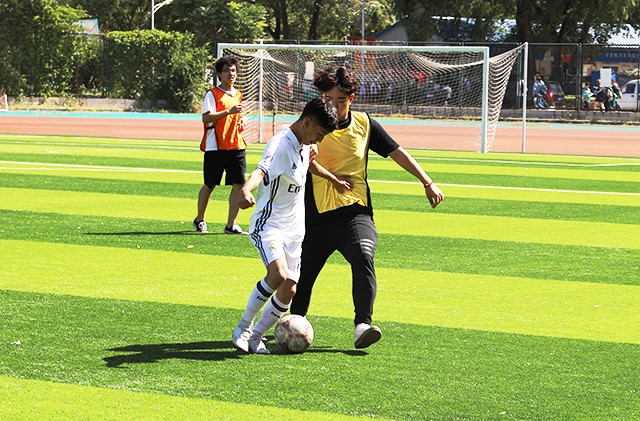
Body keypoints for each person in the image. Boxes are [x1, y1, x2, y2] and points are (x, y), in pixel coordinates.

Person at [290, 65, 445, 349]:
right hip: (314, 216)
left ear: (351, 98)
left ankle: (362, 324)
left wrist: (427, 182)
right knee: (302, 275)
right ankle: (293, 323)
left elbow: (396, 151)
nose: (334, 106)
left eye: (340, 100)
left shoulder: (364, 124)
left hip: (355, 212)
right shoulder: (310, 124)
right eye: (328, 99)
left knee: (363, 255)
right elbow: (293, 158)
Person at [231, 97, 348, 354]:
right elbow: (261, 170)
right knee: (278, 275)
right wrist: (246, 190)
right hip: (269, 224)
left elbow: (307, 165)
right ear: (307, 123)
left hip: (295, 229)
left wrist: (333, 179)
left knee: (289, 289)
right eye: (319, 134)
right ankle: (243, 328)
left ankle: (256, 337)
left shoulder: (304, 144)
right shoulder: (279, 144)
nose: (318, 141)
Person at [194, 56, 247, 234]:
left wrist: (243, 120)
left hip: (236, 145)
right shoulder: (212, 94)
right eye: (226, 70)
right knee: (210, 184)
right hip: (215, 146)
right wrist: (228, 111)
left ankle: (231, 225)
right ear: (219, 74)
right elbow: (206, 117)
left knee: (239, 184)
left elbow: (238, 115)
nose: (231, 74)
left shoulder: (238, 94)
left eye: (233, 70)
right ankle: (199, 219)